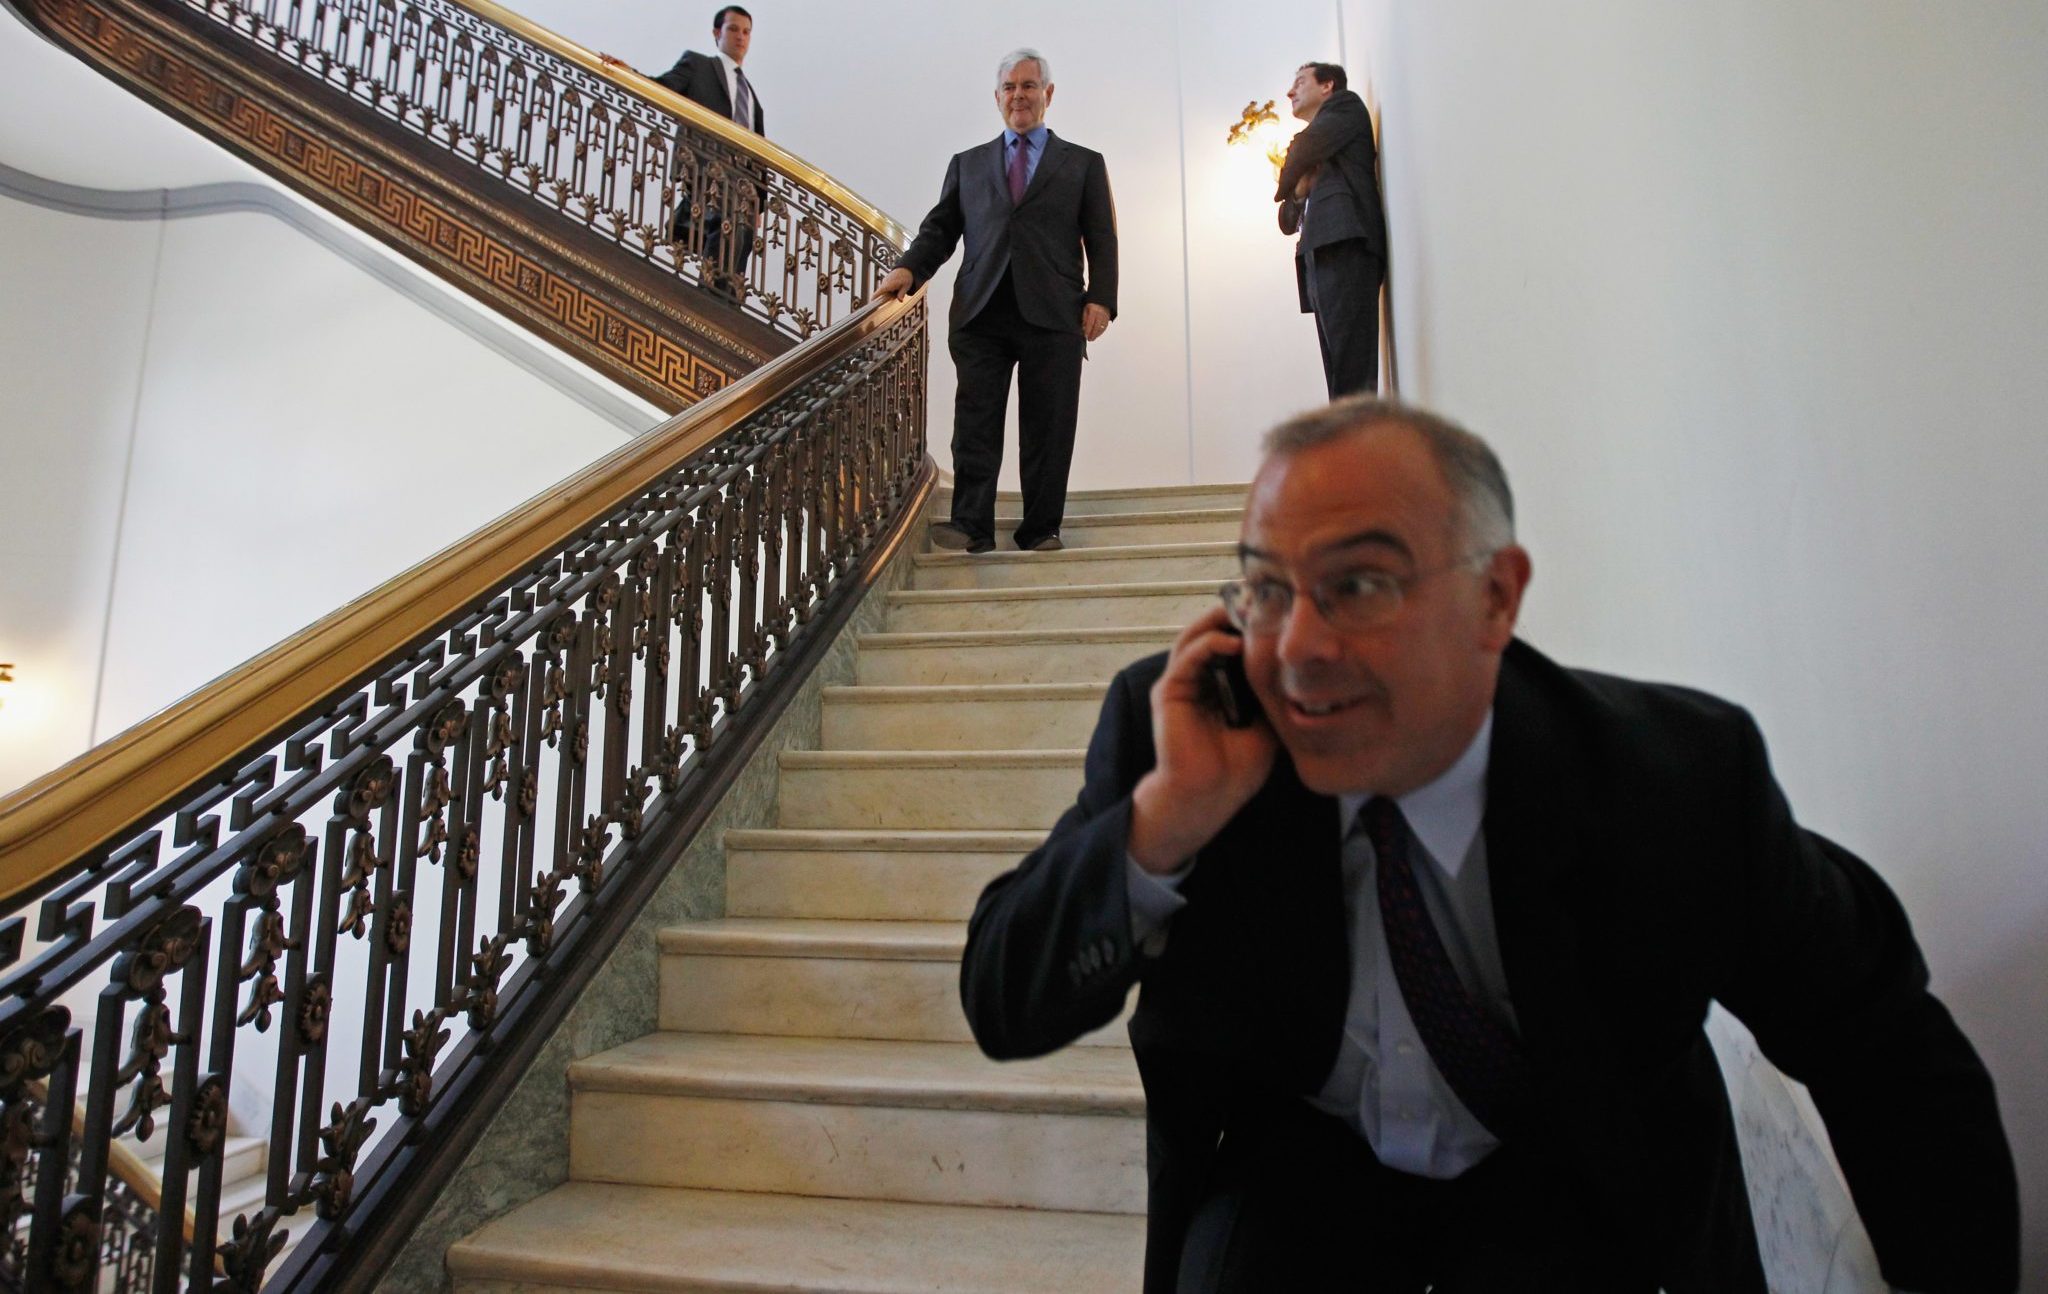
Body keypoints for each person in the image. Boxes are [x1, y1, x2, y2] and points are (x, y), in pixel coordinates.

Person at [959, 396, 2018, 1293]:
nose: (1297, 648)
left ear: (1494, 597)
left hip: (1583, 1187)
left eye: (1358, 585)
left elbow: (1878, 1041)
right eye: (1267, 587)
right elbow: (1005, 1004)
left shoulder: (1672, 780)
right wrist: (1166, 820)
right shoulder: (1183, 726)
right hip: (1294, 1194)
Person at [874, 49, 1118, 555]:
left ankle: (1041, 528)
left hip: (1054, 312)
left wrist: (1103, 299)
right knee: (976, 423)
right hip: (982, 311)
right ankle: (971, 526)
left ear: (1047, 94)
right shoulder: (968, 164)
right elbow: (939, 229)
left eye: (1028, 86)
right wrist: (909, 268)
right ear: (997, 97)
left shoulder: (1084, 164)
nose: (1019, 96)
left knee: (1049, 425)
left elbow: (1102, 237)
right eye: (1009, 88)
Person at [1275, 62, 1387, 399]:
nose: (1290, 92)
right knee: (1339, 375)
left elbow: (1300, 152)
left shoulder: (1346, 106)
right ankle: (1349, 447)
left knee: (1352, 376)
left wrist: (1291, 176)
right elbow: (1285, 220)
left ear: (1327, 86)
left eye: (1299, 81)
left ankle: (1359, 449)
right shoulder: (1324, 138)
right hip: (1320, 254)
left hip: (1346, 244)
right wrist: (1296, 191)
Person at [652, 6, 764, 296]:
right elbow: (662, 88)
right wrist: (626, 72)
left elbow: (759, 154)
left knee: (741, 236)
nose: (741, 37)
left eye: (746, 32)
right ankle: (711, 299)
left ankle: (726, 302)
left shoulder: (752, 98)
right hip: (706, 170)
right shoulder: (698, 66)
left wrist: (760, 204)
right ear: (717, 33)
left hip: (741, 187)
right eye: (734, 29)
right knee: (727, 225)